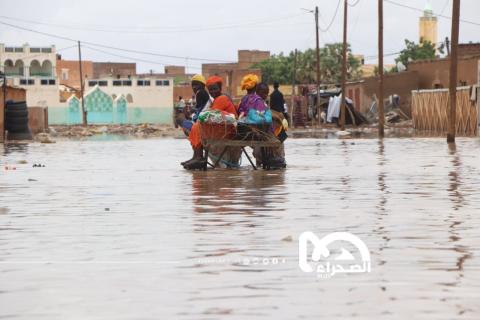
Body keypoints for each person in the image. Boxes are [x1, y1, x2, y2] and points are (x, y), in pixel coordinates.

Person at [183, 76, 237, 170]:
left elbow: (211, 115)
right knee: (196, 126)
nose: (212, 92)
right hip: (221, 127)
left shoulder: (222, 98)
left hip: (228, 130)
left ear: (220, 88)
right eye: (210, 90)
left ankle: (198, 157)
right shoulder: (217, 99)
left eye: (215, 89)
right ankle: (196, 157)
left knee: (197, 126)